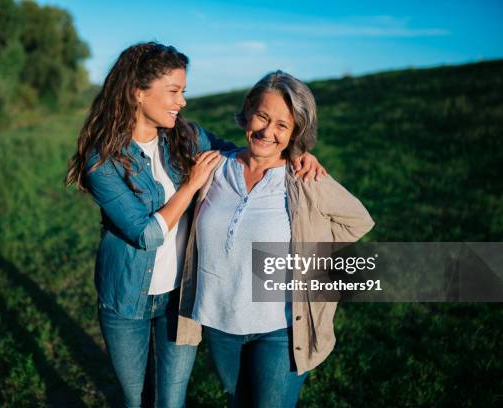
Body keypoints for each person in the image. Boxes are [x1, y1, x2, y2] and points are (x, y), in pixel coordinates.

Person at [66, 42, 326, 407]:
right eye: (174, 91)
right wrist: (189, 187)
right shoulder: (102, 159)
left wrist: (299, 152)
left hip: (180, 297)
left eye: (183, 92)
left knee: (171, 400)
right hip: (126, 299)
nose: (182, 101)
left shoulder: (186, 136)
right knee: (134, 398)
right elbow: (146, 234)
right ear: (138, 93)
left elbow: (246, 153)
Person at [176, 70, 375, 407]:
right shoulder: (214, 167)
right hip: (220, 321)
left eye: (282, 125)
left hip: (280, 329)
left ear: (296, 132)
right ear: (248, 110)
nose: (268, 131)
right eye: (263, 117)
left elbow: (357, 221)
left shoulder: (302, 177)